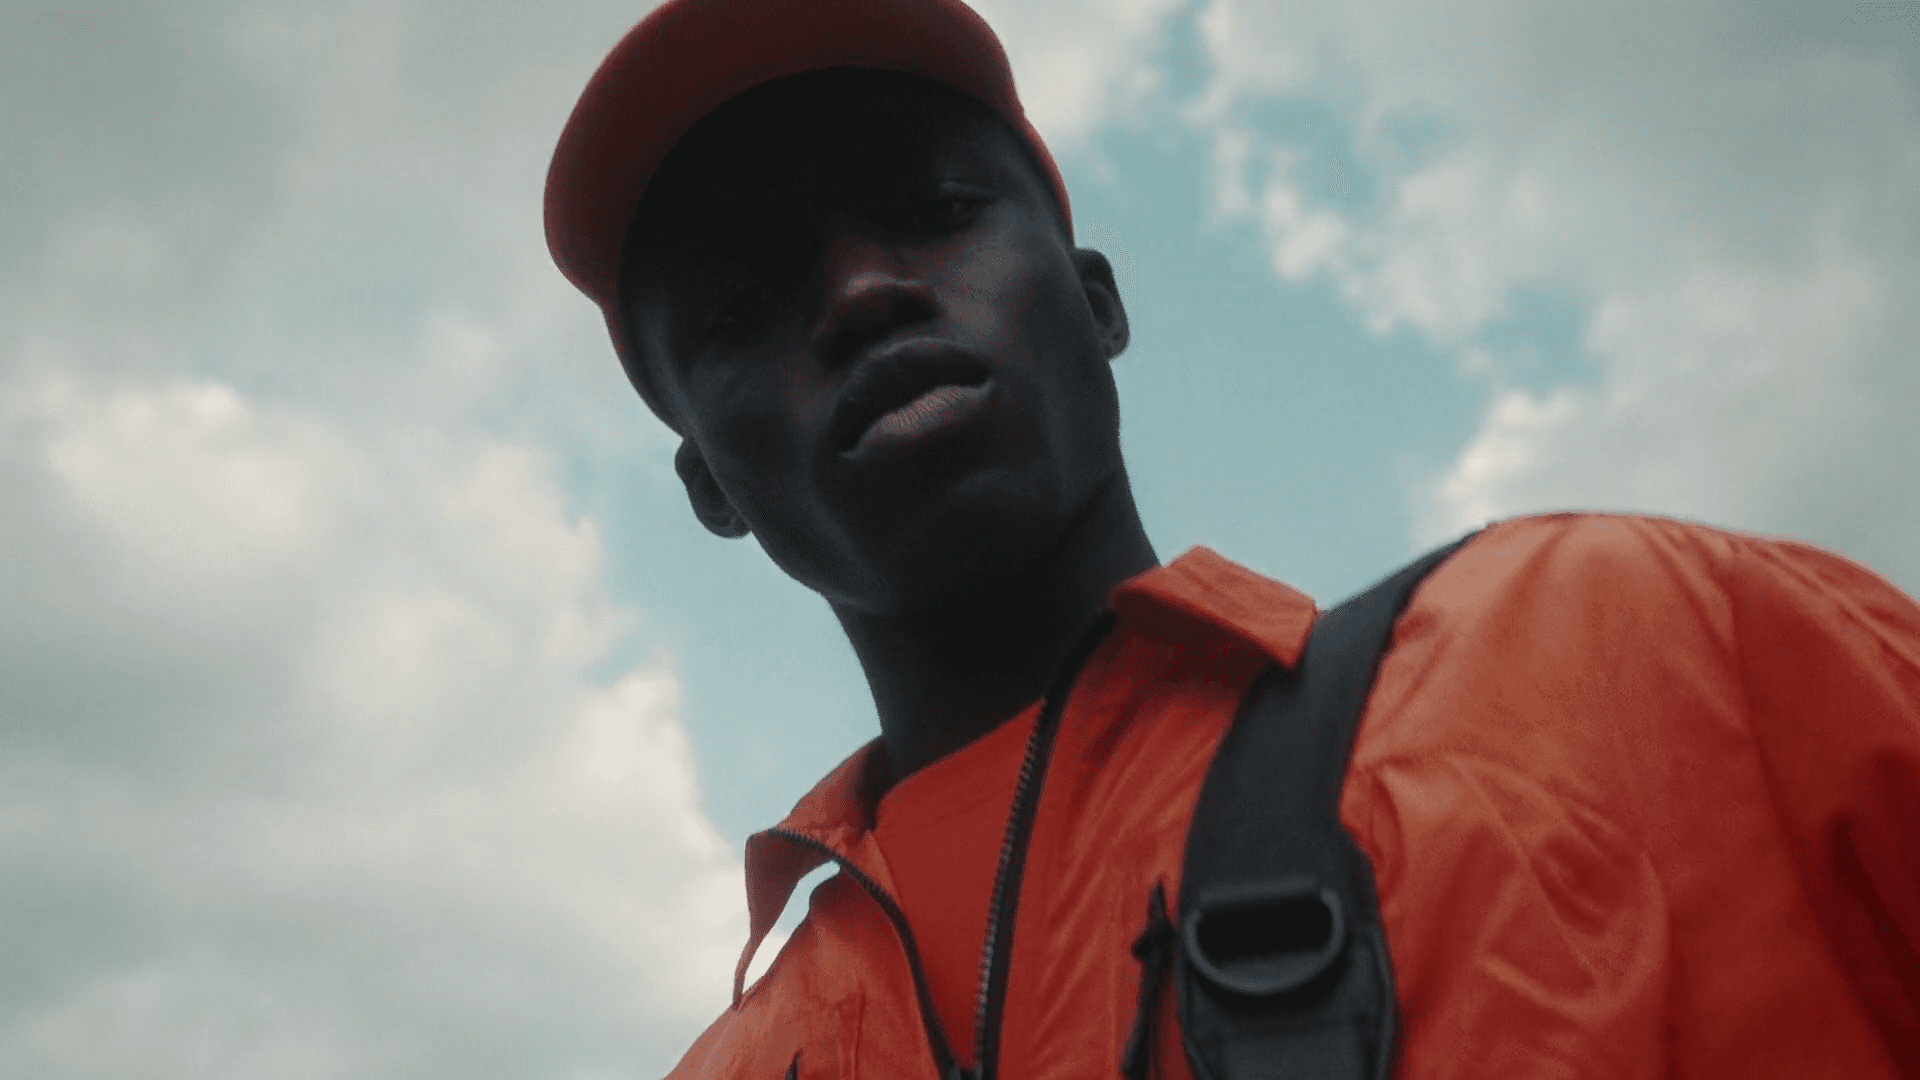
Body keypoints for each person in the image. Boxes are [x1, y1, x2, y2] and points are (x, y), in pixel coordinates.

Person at [544, 1, 1920, 1077]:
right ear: (711, 487)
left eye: (936, 212)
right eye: (743, 307)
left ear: (1097, 305)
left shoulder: (1656, 658)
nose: (860, 292)